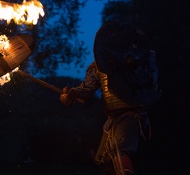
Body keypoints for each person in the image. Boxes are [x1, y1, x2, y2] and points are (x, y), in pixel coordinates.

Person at [60, 22, 162, 175]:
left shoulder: (138, 61)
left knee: (120, 150)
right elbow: (85, 90)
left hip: (132, 117)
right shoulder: (99, 66)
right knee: (105, 159)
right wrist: (71, 95)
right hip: (113, 119)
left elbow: (149, 86)